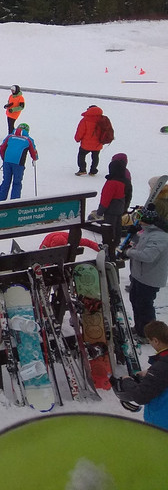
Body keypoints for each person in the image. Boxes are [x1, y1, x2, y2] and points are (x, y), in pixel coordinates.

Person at [122, 195, 168, 337]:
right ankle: (140, 328)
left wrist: (129, 252)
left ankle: (149, 334)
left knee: (144, 306)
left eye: (141, 219)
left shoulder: (161, 236)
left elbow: (148, 256)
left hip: (149, 278)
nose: (139, 221)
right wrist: (134, 236)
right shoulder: (150, 231)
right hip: (140, 275)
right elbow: (143, 245)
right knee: (135, 301)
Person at [115, 320, 168, 429]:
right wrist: (151, 373)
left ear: (156, 341)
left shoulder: (161, 368)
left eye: (149, 340)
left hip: (162, 427)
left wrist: (127, 381)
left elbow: (141, 396)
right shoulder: (161, 365)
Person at [0, 123, 38, 201]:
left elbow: (1, 148)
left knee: (6, 180)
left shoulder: (10, 136)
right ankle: (14, 201)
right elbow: (33, 151)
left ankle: (0, 200)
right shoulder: (28, 139)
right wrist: (35, 158)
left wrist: (4, 159)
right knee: (17, 182)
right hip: (19, 163)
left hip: (7, 161)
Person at [97, 153, 133, 232]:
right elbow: (128, 195)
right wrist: (125, 208)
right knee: (117, 227)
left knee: (109, 228)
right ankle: (116, 241)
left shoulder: (112, 183)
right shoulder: (125, 181)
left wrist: (100, 212)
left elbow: (106, 198)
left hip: (111, 209)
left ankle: (109, 242)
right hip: (120, 208)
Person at [75, 104, 112, 175]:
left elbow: (80, 131)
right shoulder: (103, 119)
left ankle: (82, 169)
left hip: (86, 143)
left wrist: (77, 138)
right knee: (95, 157)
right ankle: (93, 171)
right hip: (98, 143)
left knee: (81, 155)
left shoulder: (85, 120)